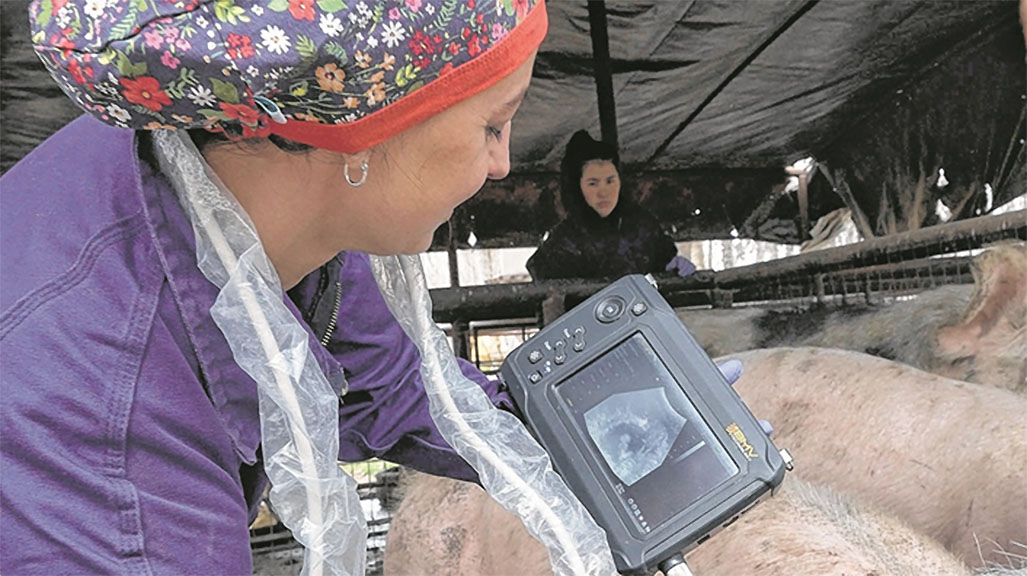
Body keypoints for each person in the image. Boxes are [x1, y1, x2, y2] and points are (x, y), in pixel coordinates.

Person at [1, 1, 548, 573]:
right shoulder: (108, 449)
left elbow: (395, 387)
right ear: (364, 122)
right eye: (493, 124)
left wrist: (581, 447)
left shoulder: (269, 193)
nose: (502, 163)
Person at [526, 129, 696, 280]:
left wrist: (672, 266)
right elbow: (546, 285)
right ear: (577, 188)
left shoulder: (642, 224)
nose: (603, 192)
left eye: (610, 181)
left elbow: (662, 260)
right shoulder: (565, 240)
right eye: (593, 183)